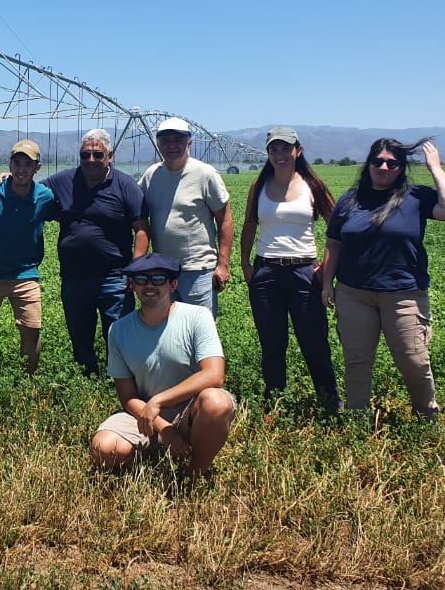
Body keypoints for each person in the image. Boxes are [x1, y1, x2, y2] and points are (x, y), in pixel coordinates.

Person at [320, 138, 445, 419]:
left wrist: (435, 167)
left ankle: (426, 416)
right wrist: (327, 283)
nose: (383, 167)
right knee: (357, 361)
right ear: (369, 164)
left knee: (414, 359)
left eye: (392, 163)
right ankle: (358, 418)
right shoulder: (350, 200)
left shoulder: (416, 197)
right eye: (378, 161)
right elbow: (334, 244)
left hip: (403, 294)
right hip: (354, 293)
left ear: (401, 167)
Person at [90, 254, 237, 479]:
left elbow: (214, 374)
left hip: (190, 410)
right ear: (132, 285)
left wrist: (159, 401)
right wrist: (163, 427)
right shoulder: (118, 330)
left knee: (216, 402)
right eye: (141, 280)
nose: (149, 286)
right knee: (104, 448)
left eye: (158, 279)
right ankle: (156, 453)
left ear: (173, 285)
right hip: (145, 413)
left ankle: (194, 473)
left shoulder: (197, 317)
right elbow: (127, 396)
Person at [239, 126, 341, 410]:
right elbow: (249, 225)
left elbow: (337, 229)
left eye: (286, 148)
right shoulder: (259, 186)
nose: (280, 154)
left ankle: (330, 404)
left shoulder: (312, 185)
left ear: (298, 151)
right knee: (272, 344)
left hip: (304, 271)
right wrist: (245, 264)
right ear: (268, 153)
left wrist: (326, 268)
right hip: (266, 272)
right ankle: (275, 404)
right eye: (274, 149)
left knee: (314, 342)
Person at [43, 129, 150, 376]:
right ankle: (87, 381)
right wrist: (9, 177)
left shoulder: (125, 185)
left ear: (109, 156)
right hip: (74, 278)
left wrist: (135, 270)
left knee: (118, 335)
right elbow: (28, 190)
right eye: (85, 155)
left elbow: (142, 230)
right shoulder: (64, 181)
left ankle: (120, 384)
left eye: (97, 154)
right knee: (79, 336)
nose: (91, 159)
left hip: (115, 278)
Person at [0, 139, 61, 374]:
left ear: (37, 168)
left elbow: (65, 212)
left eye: (28, 165)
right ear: (10, 165)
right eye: (17, 163)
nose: (21, 170)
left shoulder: (45, 197)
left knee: (32, 330)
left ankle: (28, 380)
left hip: (26, 275)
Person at [140, 117, 234, 317]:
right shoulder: (151, 175)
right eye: (165, 140)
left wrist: (223, 265)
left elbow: (225, 220)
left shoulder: (205, 174)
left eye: (178, 140)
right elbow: (134, 211)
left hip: (198, 270)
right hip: (163, 271)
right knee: (167, 328)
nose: (171, 145)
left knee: (199, 327)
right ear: (158, 145)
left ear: (189, 143)